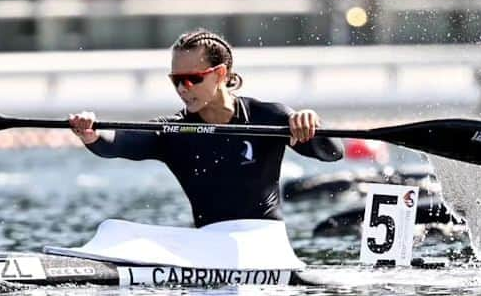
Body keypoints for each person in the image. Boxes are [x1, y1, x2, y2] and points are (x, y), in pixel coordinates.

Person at [68, 29, 343, 228]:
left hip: (264, 245)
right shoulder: (172, 133)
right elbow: (117, 142)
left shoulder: (267, 117)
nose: (182, 89)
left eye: (192, 79)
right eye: (176, 80)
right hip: (208, 245)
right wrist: (91, 134)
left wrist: (312, 126)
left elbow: (333, 153)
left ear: (221, 74)